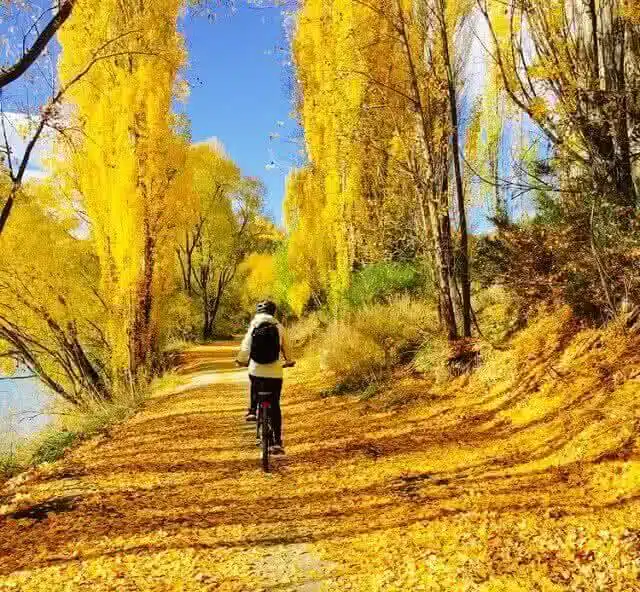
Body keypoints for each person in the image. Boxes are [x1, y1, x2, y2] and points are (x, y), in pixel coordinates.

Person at [236, 300, 291, 454]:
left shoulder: (253, 326)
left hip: (256, 369)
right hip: (275, 372)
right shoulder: (279, 327)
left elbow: (246, 347)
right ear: (273, 312)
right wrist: (288, 360)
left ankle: (253, 410)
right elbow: (287, 347)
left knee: (254, 379)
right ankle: (276, 442)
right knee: (275, 404)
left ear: (258, 312)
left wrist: (241, 360)